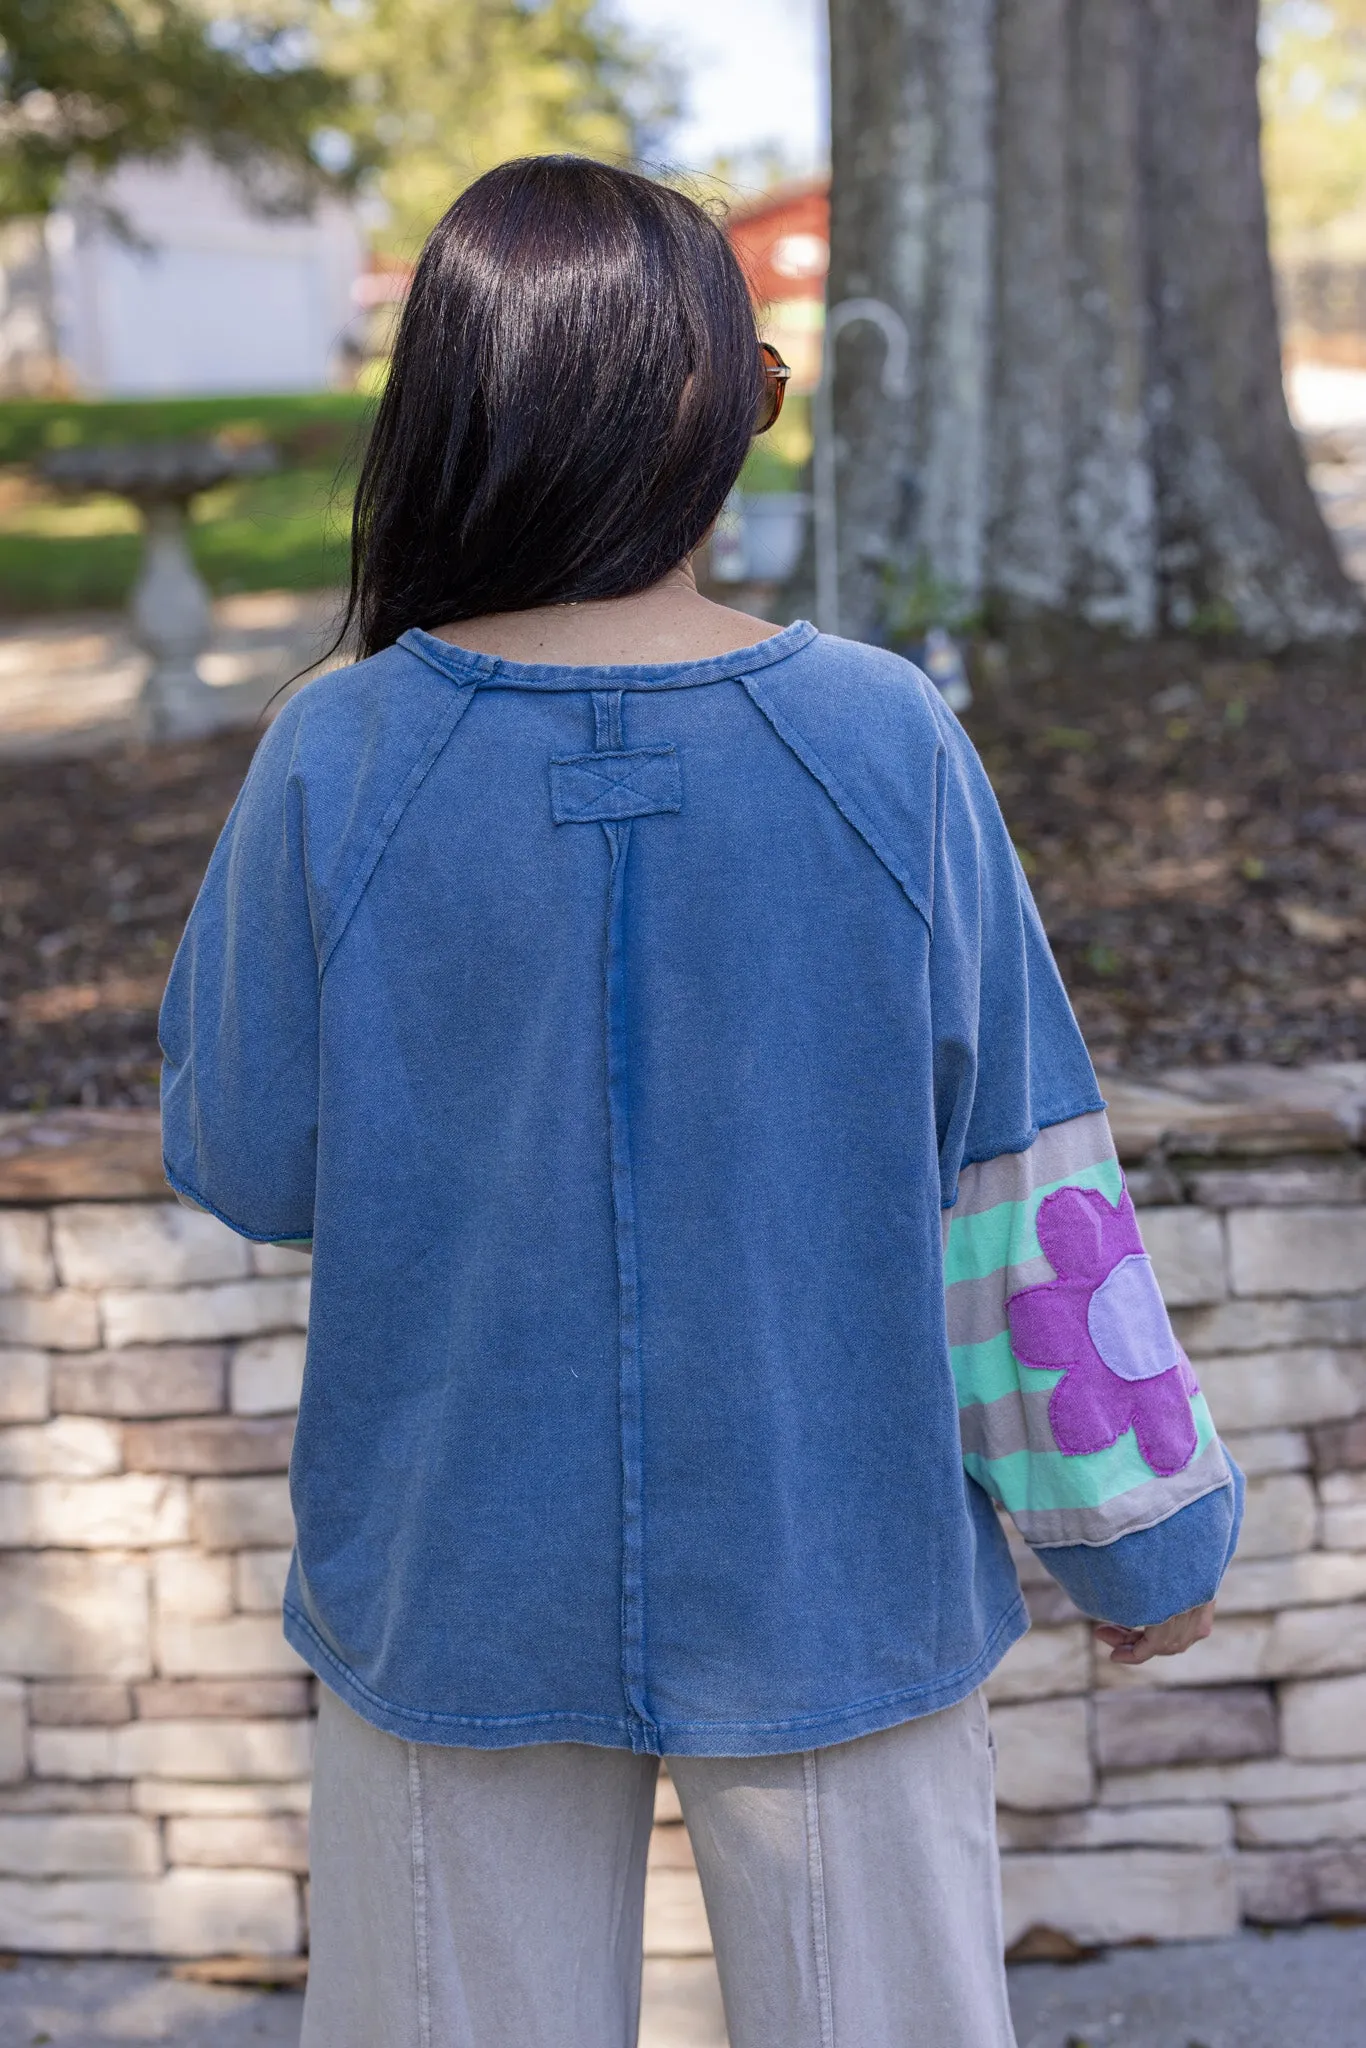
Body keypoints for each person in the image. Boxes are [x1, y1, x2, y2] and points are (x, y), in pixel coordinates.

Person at [159, 156, 1243, 2048]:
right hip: (834, 1560)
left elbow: (247, 1150)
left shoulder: (341, 752)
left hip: (449, 1569)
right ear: (705, 413)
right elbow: (1017, 1176)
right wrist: (1138, 1533)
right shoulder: (879, 739)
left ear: (454, 409)